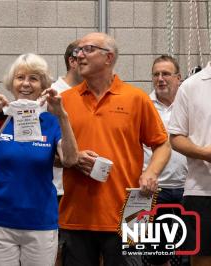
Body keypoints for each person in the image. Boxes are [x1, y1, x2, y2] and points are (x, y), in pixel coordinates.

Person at [0, 53, 78, 266]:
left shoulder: (50, 121)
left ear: (43, 86)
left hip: (41, 222)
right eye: (20, 77)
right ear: (11, 83)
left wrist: (62, 116)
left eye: (33, 78)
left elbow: (70, 160)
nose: (26, 84)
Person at [59, 32, 171, 266]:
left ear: (108, 57)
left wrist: (151, 173)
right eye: (77, 51)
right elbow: (50, 153)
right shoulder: (64, 100)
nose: (79, 55)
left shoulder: (136, 99)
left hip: (129, 214)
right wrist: (71, 157)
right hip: (77, 215)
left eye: (87, 49)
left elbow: (162, 144)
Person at [142, 55, 188, 266]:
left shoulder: (189, 104)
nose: (160, 79)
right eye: (156, 74)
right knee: (154, 257)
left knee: (188, 253)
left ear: (178, 78)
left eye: (166, 74)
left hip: (187, 190)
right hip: (152, 192)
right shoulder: (142, 105)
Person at [169, 61, 211, 266]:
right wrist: (204, 153)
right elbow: (176, 137)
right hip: (202, 191)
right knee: (203, 258)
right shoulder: (191, 86)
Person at [52, 39, 83, 202]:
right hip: (59, 187)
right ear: (72, 61)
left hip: (86, 184)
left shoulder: (91, 95)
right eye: (83, 59)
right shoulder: (52, 94)